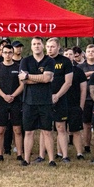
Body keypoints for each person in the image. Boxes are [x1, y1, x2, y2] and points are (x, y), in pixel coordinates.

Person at [18, 37, 56, 166]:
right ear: (31, 46)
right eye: (34, 44)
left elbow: (47, 78)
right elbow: (22, 80)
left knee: (47, 131)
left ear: (43, 45)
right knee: (28, 131)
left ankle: (51, 160)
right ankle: (26, 159)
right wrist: (39, 78)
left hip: (45, 101)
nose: (36, 46)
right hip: (29, 101)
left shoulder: (49, 61)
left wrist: (29, 76)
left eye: (39, 44)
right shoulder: (25, 61)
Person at [0, 44, 24, 161]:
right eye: (5, 52)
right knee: (1, 129)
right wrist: (4, 96)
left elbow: (22, 84)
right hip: (1, 101)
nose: (8, 54)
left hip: (16, 101)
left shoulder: (19, 66)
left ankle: (19, 154)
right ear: (2, 53)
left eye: (10, 52)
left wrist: (13, 95)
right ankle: (0, 154)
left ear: (13, 53)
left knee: (17, 129)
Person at [46, 38, 74, 162]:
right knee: (45, 129)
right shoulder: (43, 60)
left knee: (61, 128)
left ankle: (65, 155)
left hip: (60, 98)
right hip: (43, 99)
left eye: (52, 47)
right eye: (48, 46)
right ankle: (42, 155)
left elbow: (68, 82)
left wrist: (57, 95)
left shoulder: (65, 61)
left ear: (58, 48)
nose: (50, 49)